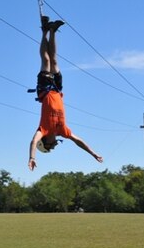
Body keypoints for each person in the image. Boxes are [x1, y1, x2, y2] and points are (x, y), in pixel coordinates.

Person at [28, 16, 103, 171]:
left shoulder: (42, 130)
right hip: (57, 89)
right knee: (54, 61)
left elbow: (33, 142)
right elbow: (78, 141)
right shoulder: (62, 131)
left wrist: (32, 157)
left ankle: (44, 32)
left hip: (45, 90)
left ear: (45, 142)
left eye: (51, 146)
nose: (55, 144)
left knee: (46, 61)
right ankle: (53, 30)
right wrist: (93, 153)